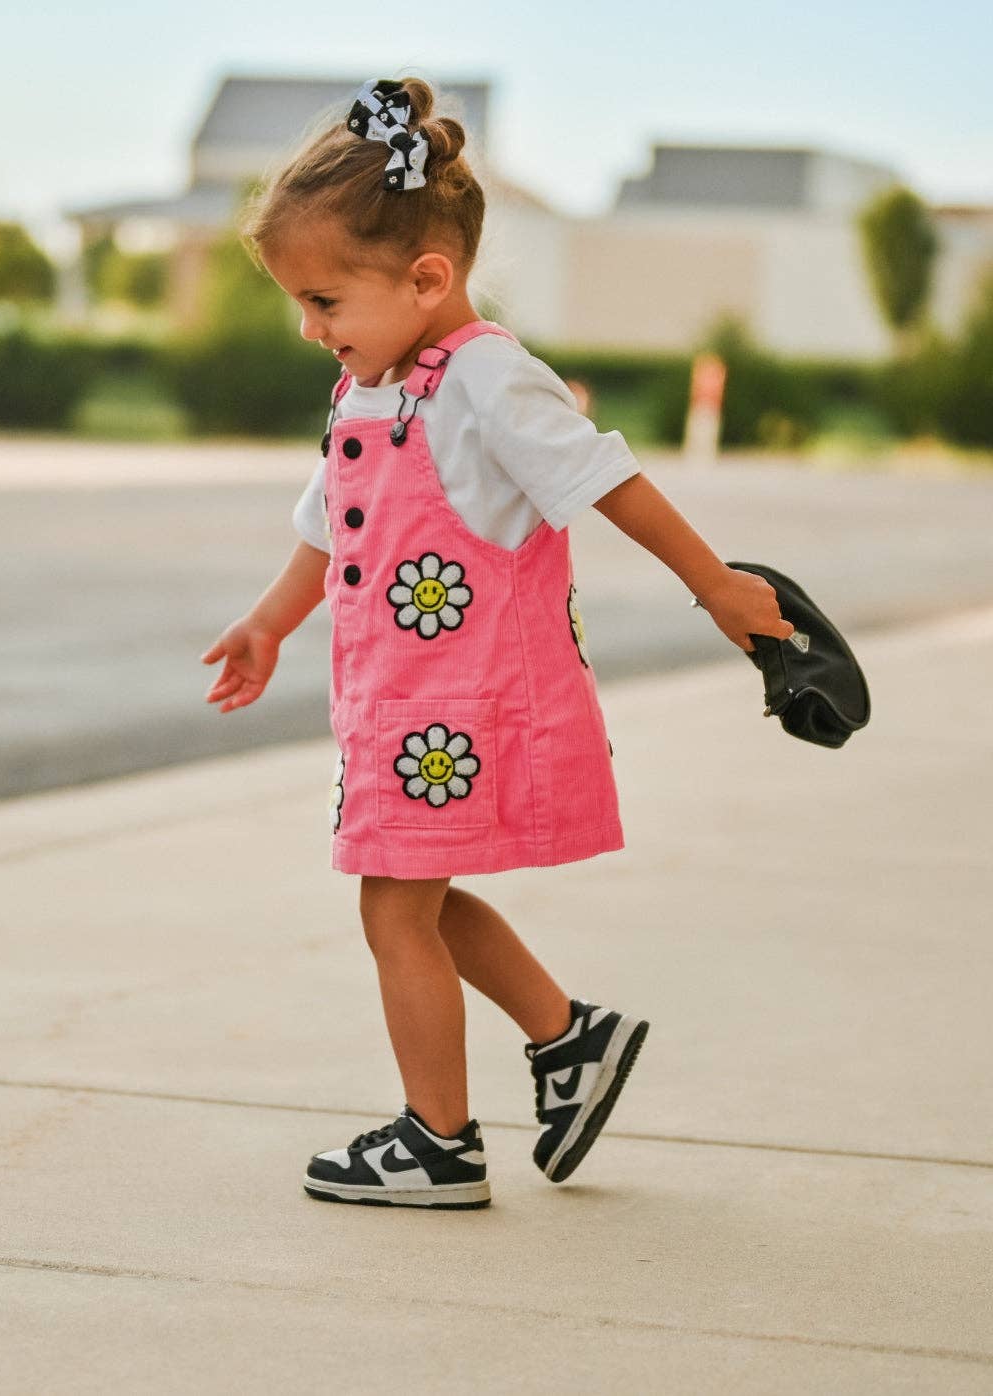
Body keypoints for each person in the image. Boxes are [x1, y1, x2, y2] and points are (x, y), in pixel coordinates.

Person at [200, 77, 794, 1211]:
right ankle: (568, 1038)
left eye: (325, 299)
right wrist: (270, 623)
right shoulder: (370, 386)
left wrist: (714, 583)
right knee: (410, 896)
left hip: (460, 701)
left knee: (393, 904)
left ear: (427, 277)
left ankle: (439, 1138)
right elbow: (327, 525)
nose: (310, 328)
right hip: (395, 704)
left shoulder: (482, 375)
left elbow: (602, 476)